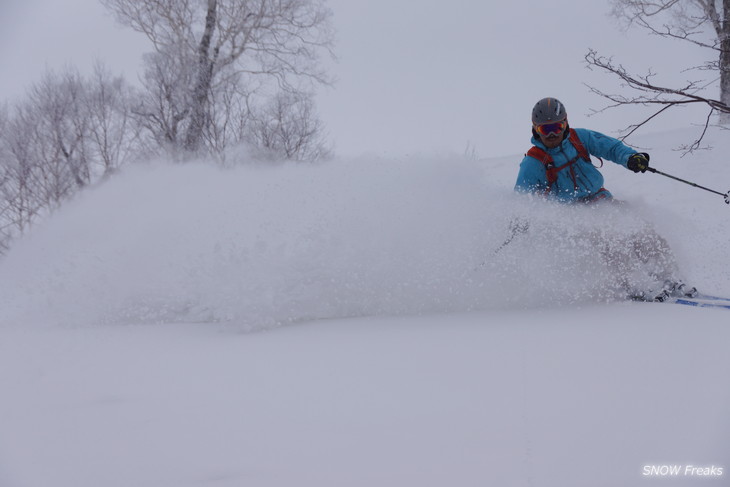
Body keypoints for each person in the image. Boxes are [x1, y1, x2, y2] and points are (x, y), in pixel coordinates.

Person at [513, 97, 696, 301]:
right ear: (535, 129)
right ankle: (636, 283)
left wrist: (631, 158)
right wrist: (519, 220)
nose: (553, 134)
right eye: (545, 130)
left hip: (601, 200)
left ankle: (669, 276)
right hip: (573, 214)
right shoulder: (534, 161)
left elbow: (610, 147)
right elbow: (522, 198)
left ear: (566, 122)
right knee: (610, 239)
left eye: (557, 126)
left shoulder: (578, 138)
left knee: (642, 230)